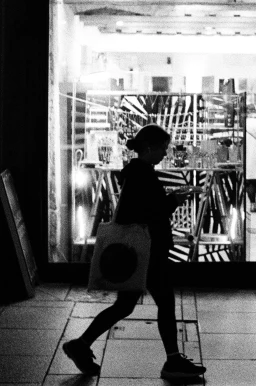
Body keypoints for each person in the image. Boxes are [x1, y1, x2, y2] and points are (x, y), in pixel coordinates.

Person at [62, 124, 207, 381]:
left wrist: (171, 198)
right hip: (148, 251)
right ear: (149, 147)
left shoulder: (137, 173)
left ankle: (81, 344)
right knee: (164, 302)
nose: (165, 153)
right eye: (163, 147)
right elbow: (150, 212)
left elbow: (141, 208)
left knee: (125, 306)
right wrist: (173, 200)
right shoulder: (143, 174)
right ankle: (173, 361)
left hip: (140, 251)